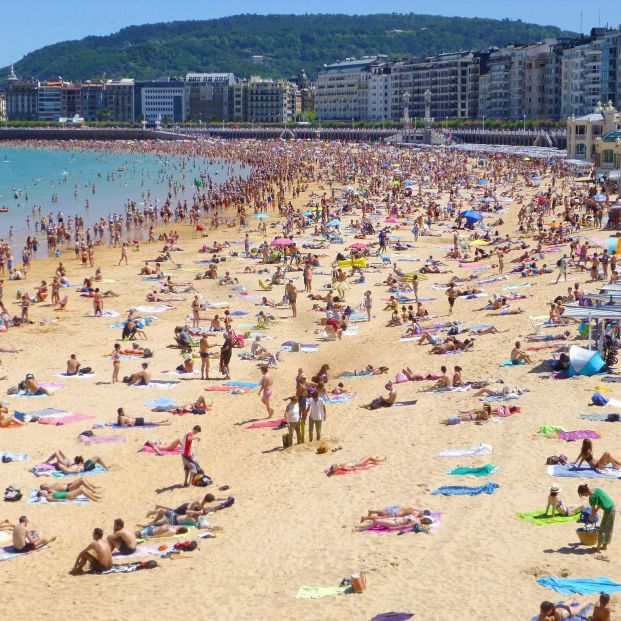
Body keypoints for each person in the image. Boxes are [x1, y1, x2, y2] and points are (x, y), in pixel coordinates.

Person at [577, 484, 615, 552]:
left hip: (608, 511)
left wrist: (590, 518)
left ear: (584, 492)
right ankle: (604, 546)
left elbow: (593, 510)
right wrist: (592, 515)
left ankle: (598, 548)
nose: (583, 496)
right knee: (608, 528)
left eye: (582, 495)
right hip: (612, 507)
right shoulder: (597, 489)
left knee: (602, 529)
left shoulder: (591, 498)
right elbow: (599, 505)